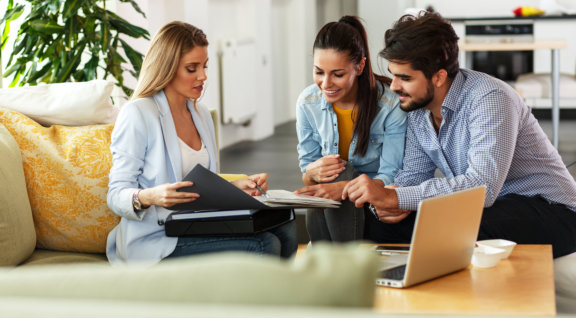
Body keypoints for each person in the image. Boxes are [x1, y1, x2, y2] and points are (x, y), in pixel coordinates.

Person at [342, 11, 576, 258]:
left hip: (551, 210)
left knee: (460, 222)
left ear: (439, 76)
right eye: (394, 75)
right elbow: (412, 176)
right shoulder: (417, 110)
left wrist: (396, 196)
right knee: (378, 224)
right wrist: (386, 205)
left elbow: (481, 187)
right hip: (492, 206)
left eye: (405, 78)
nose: (394, 86)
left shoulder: (490, 98)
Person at [106, 21, 297, 265]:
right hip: (156, 237)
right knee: (264, 244)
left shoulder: (201, 114)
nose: (203, 76)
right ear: (168, 67)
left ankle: (284, 301)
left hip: (194, 226)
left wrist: (234, 187)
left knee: (287, 229)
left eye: (204, 66)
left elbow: (201, 186)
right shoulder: (138, 114)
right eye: (192, 68)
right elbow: (115, 194)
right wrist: (150, 196)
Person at [294, 16, 407, 242]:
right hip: (331, 205)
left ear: (360, 66)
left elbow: (391, 174)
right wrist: (312, 173)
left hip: (373, 200)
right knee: (327, 176)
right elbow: (307, 173)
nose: (326, 84)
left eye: (338, 74)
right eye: (318, 72)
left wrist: (343, 187)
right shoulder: (307, 102)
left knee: (338, 175)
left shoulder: (389, 104)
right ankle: (335, 265)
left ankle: (329, 263)